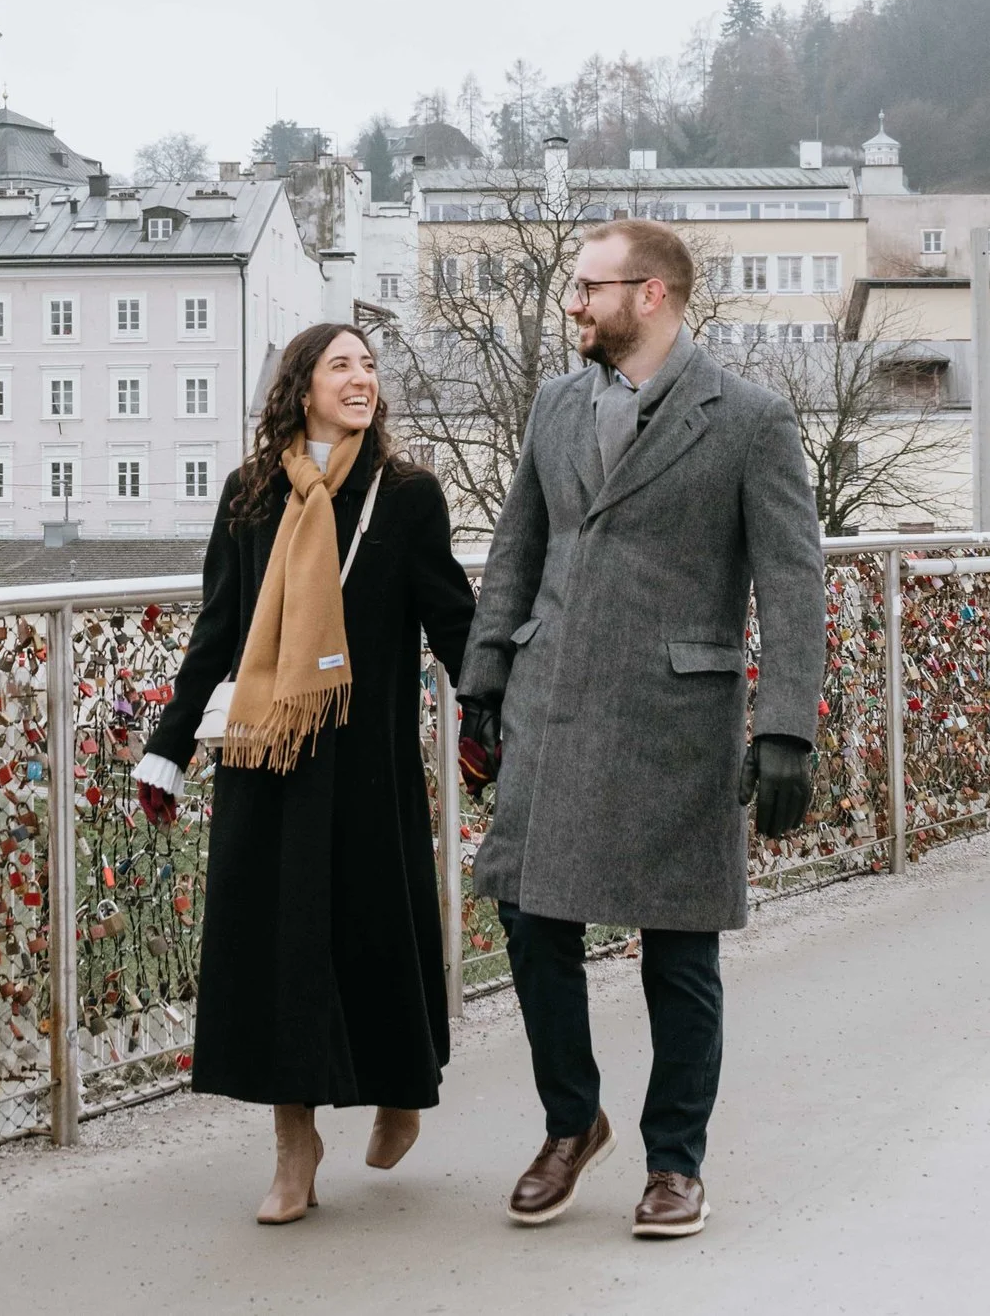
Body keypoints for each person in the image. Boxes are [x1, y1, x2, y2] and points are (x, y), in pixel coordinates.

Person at [454, 219, 823, 1240]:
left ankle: (674, 1161)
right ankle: (572, 1122)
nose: (570, 303)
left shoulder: (748, 418)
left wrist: (787, 723)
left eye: (587, 287)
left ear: (649, 293)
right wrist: (486, 677)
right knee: (529, 917)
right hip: (553, 701)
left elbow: (792, 576)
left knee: (677, 946)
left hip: (673, 715)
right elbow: (515, 545)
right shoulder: (554, 403)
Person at [137, 322, 476, 1226]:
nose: (362, 378)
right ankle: (295, 1144)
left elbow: (453, 618)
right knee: (280, 949)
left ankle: (399, 1087)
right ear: (302, 385)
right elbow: (218, 628)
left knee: (376, 932)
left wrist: (493, 710)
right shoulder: (251, 494)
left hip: (366, 762)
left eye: (369, 365)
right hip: (269, 755)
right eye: (342, 365)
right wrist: (169, 745)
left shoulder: (405, 495)